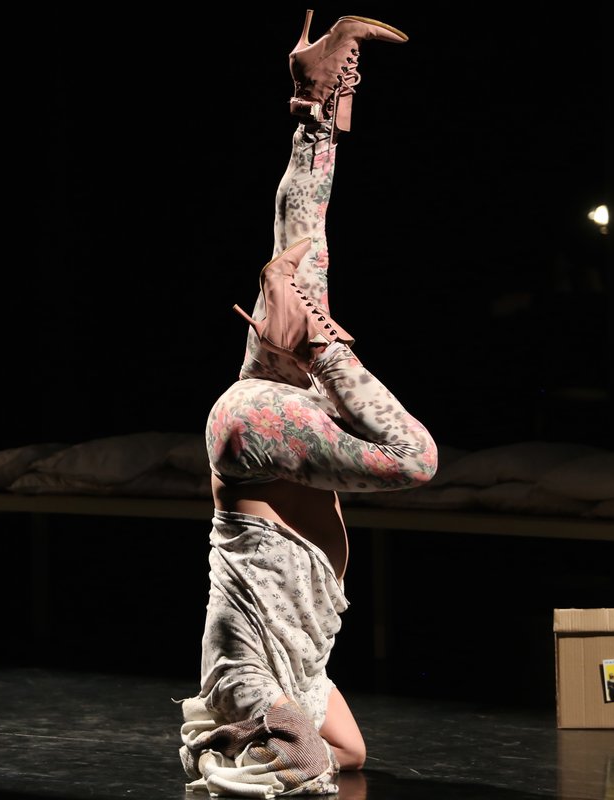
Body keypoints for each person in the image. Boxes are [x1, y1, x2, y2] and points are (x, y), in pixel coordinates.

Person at [178, 11, 438, 797]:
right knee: (303, 248)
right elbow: (339, 752)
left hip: (254, 435)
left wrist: (267, 740)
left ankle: (314, 337)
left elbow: (283, 742)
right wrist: (293, 738)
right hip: (258, 432)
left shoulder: (238, 680)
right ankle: (314, 107)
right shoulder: (292, 679)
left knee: (413, 460)